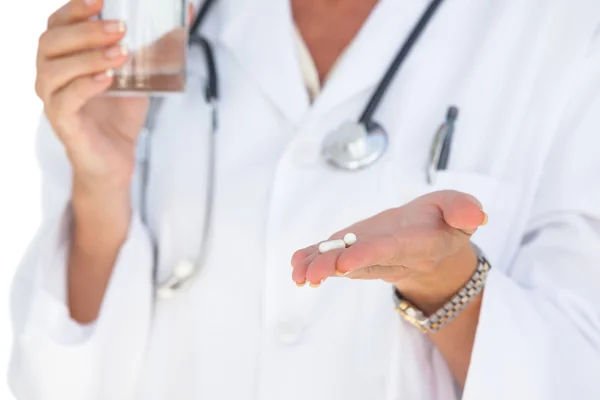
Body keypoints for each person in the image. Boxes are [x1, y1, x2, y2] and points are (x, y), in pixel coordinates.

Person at [7, 0, 600, 399]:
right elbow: (60, 379)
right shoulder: (150, 24)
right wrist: (100, 185)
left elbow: (577, 371)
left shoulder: (564, 33)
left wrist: (448, 284)